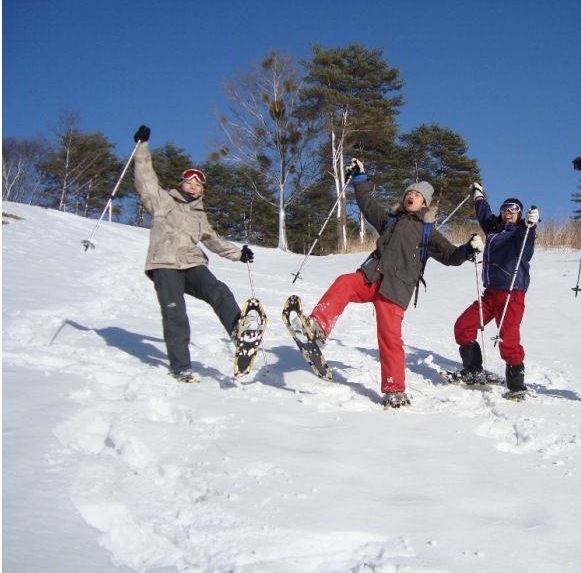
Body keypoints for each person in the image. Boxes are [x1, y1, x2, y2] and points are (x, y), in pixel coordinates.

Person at [296, 158, 482, 408]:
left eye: (417, 195)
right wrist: (360, 179)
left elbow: (450, 256)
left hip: (396, 290)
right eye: (409, 192)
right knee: (344, 282)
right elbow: (368, 205)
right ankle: (318, 327)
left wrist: (468, 250)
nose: (412, 196)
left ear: (424, 203)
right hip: (372, 277)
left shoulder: (428, 232)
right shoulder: (390, 220)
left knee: (390, 339)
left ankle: (395, 389)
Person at [132, 125, 255, 382]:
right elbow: (145, 179)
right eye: (189, 180)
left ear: (202, 191)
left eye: (199, 184)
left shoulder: (200, 216)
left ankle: (239, 333)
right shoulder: (163, 200)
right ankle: (181, 367)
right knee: (176, 314)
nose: (194, 185)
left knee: (219, 290)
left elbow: (214, 241)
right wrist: (141, 147)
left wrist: (239, 254)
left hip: (191, 262)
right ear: (181, 184)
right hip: (164, 262)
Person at [453, 187, 539, 398]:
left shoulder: (521, 232)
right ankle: (473, 370)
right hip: (490, 295)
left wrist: (531, 225)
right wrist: (478, 195)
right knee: (463, 327)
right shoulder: (493, 230)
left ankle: (517, 387)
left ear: (519, 213)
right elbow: (483, 213)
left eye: (514, 209)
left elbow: (526, 246)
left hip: (512, 294)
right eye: (505, 208)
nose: (508, 212)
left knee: (508, 339)